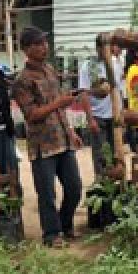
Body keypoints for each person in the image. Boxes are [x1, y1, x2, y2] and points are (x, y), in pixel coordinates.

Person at [12, 26, 85, 246]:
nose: (44, 47)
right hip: (42, 145)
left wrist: (71, 131)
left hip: (62, 139)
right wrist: (58, 104)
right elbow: (31, 114)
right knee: (47, 193)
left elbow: (60, 108)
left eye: (45, 42)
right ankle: (51, 235)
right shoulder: (22, 80)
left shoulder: (50, 70)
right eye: (38, 44)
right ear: (26, 49)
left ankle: (65, 225)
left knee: (74, 187)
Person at [78, 34, 124, 177]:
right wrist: (90, 119)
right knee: (101, 155)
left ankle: (115, 184)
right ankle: (102, 184)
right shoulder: (89, 66)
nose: (107, 51)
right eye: (104, 47)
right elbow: (83, 93)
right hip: (98, 116)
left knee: (116, 152)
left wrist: (122, 112)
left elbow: (120, 89)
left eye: (109, 47)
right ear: (98, 48)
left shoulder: (116, 63)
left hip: (114, 115)